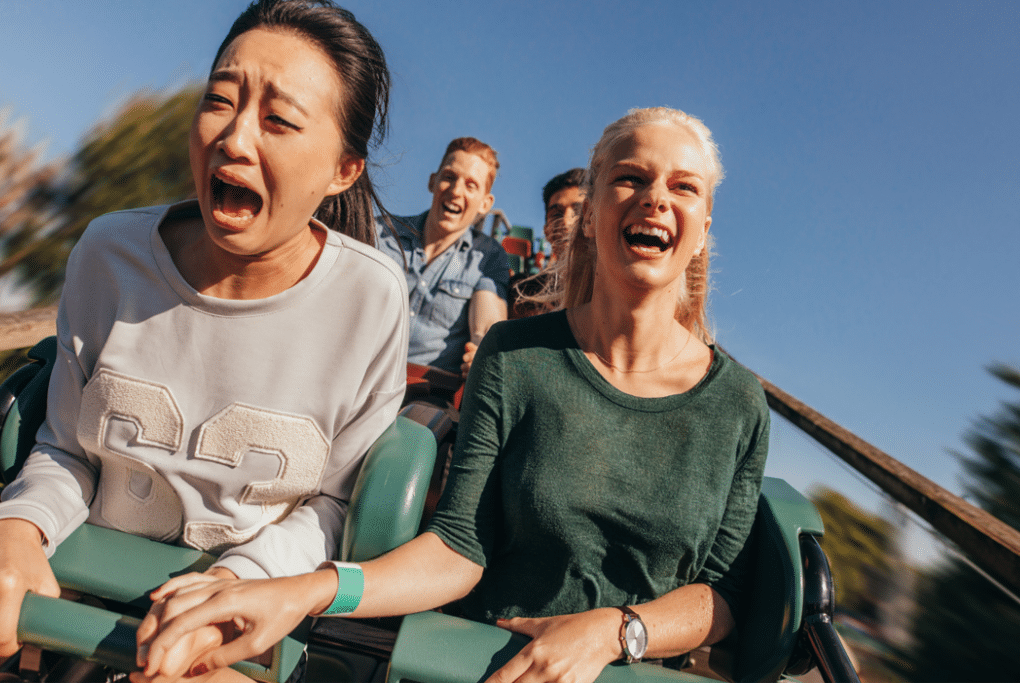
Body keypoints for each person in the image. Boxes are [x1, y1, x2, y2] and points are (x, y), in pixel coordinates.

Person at [133, 107, 771, 683]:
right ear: (595, 205)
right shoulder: (519, 358)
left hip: (628, 667)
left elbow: (721, 594)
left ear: (703, 223)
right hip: (482, 662)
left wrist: (614, 631)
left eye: (683, 186)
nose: (656, 199)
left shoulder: (738, 402)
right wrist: (303, 591)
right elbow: (461, 546)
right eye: (631, 178)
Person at [0, 0, 408, 683]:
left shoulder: (371, 299)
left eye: (280, 120)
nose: (234, 139)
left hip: (235, 617)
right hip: (70, 583)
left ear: (342, 171)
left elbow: (334, 504)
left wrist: (243, 579)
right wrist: (12, 528)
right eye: (220, 101)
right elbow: (65, 449)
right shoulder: (108, 253)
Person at [375, 138, 509, 377]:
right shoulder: (380, 232)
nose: (456, 191)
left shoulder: (487, 256)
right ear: (432, 181)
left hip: (425, 395)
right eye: (449, 177)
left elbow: (486, 327)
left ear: (485, 204)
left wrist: (481, 350)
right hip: (355, 375)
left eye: (471, 185)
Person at [510, 167, 586, 317]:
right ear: (546, 231)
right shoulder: (522, 292)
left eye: (578, 211)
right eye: (556, 214)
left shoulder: (619, 292)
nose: (566, 222)